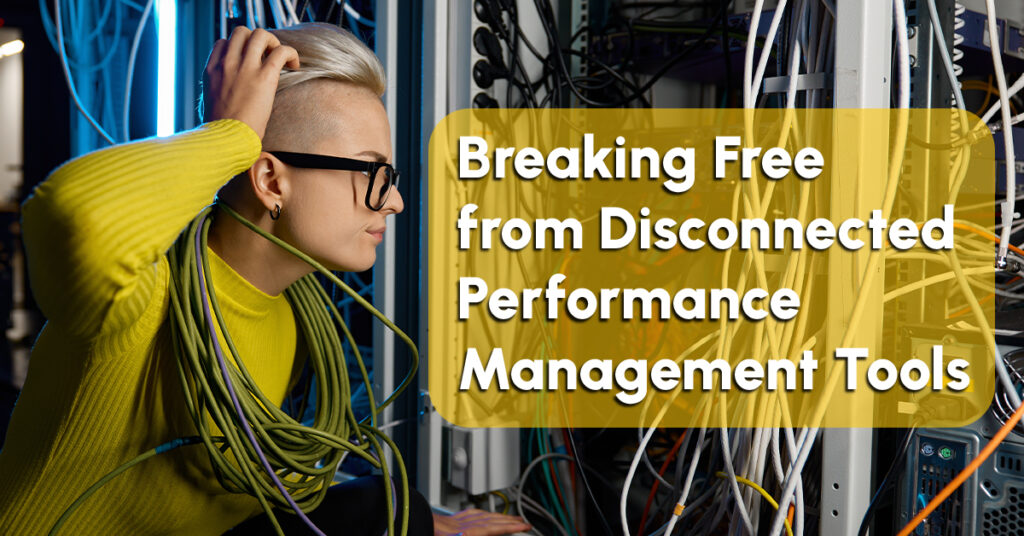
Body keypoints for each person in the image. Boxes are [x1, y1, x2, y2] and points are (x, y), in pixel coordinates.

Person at [0, 22, 530, 536]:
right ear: (271, 180)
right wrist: (229, 138)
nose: (394, 202)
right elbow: (71, 215)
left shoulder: (292, 317)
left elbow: (240, 490)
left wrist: (409, 523)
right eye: (371, 173)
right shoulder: (138, 300)